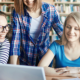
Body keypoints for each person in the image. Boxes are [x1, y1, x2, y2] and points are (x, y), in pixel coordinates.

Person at [10, 0, 63, 66]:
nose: (29, 1)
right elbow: (15, 41)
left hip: (44, 60)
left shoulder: (51, 10)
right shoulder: (17, 12)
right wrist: (13, 67)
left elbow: (62, 33)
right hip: (26, 60)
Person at [38, 12, 80, 77]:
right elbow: (40, 68)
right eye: (68, 27)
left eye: (76, 28)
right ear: (64, 27)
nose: (71, 32)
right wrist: (69, 73)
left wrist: (77, 69)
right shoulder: (56, 45)